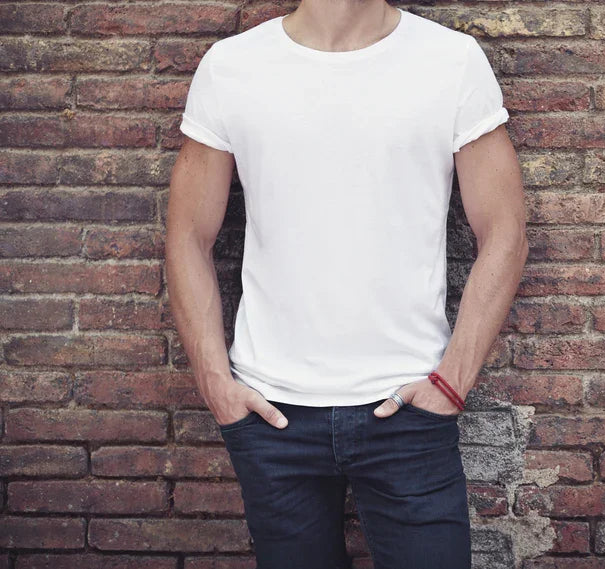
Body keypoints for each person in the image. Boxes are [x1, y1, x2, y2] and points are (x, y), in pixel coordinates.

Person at [164, 0, 528, 566]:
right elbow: (187, 235)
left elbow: (505, 230)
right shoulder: (232, 67)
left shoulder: (450, 61)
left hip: (410, 412)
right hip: (271, 415)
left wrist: (451, 383)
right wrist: (216, 384)